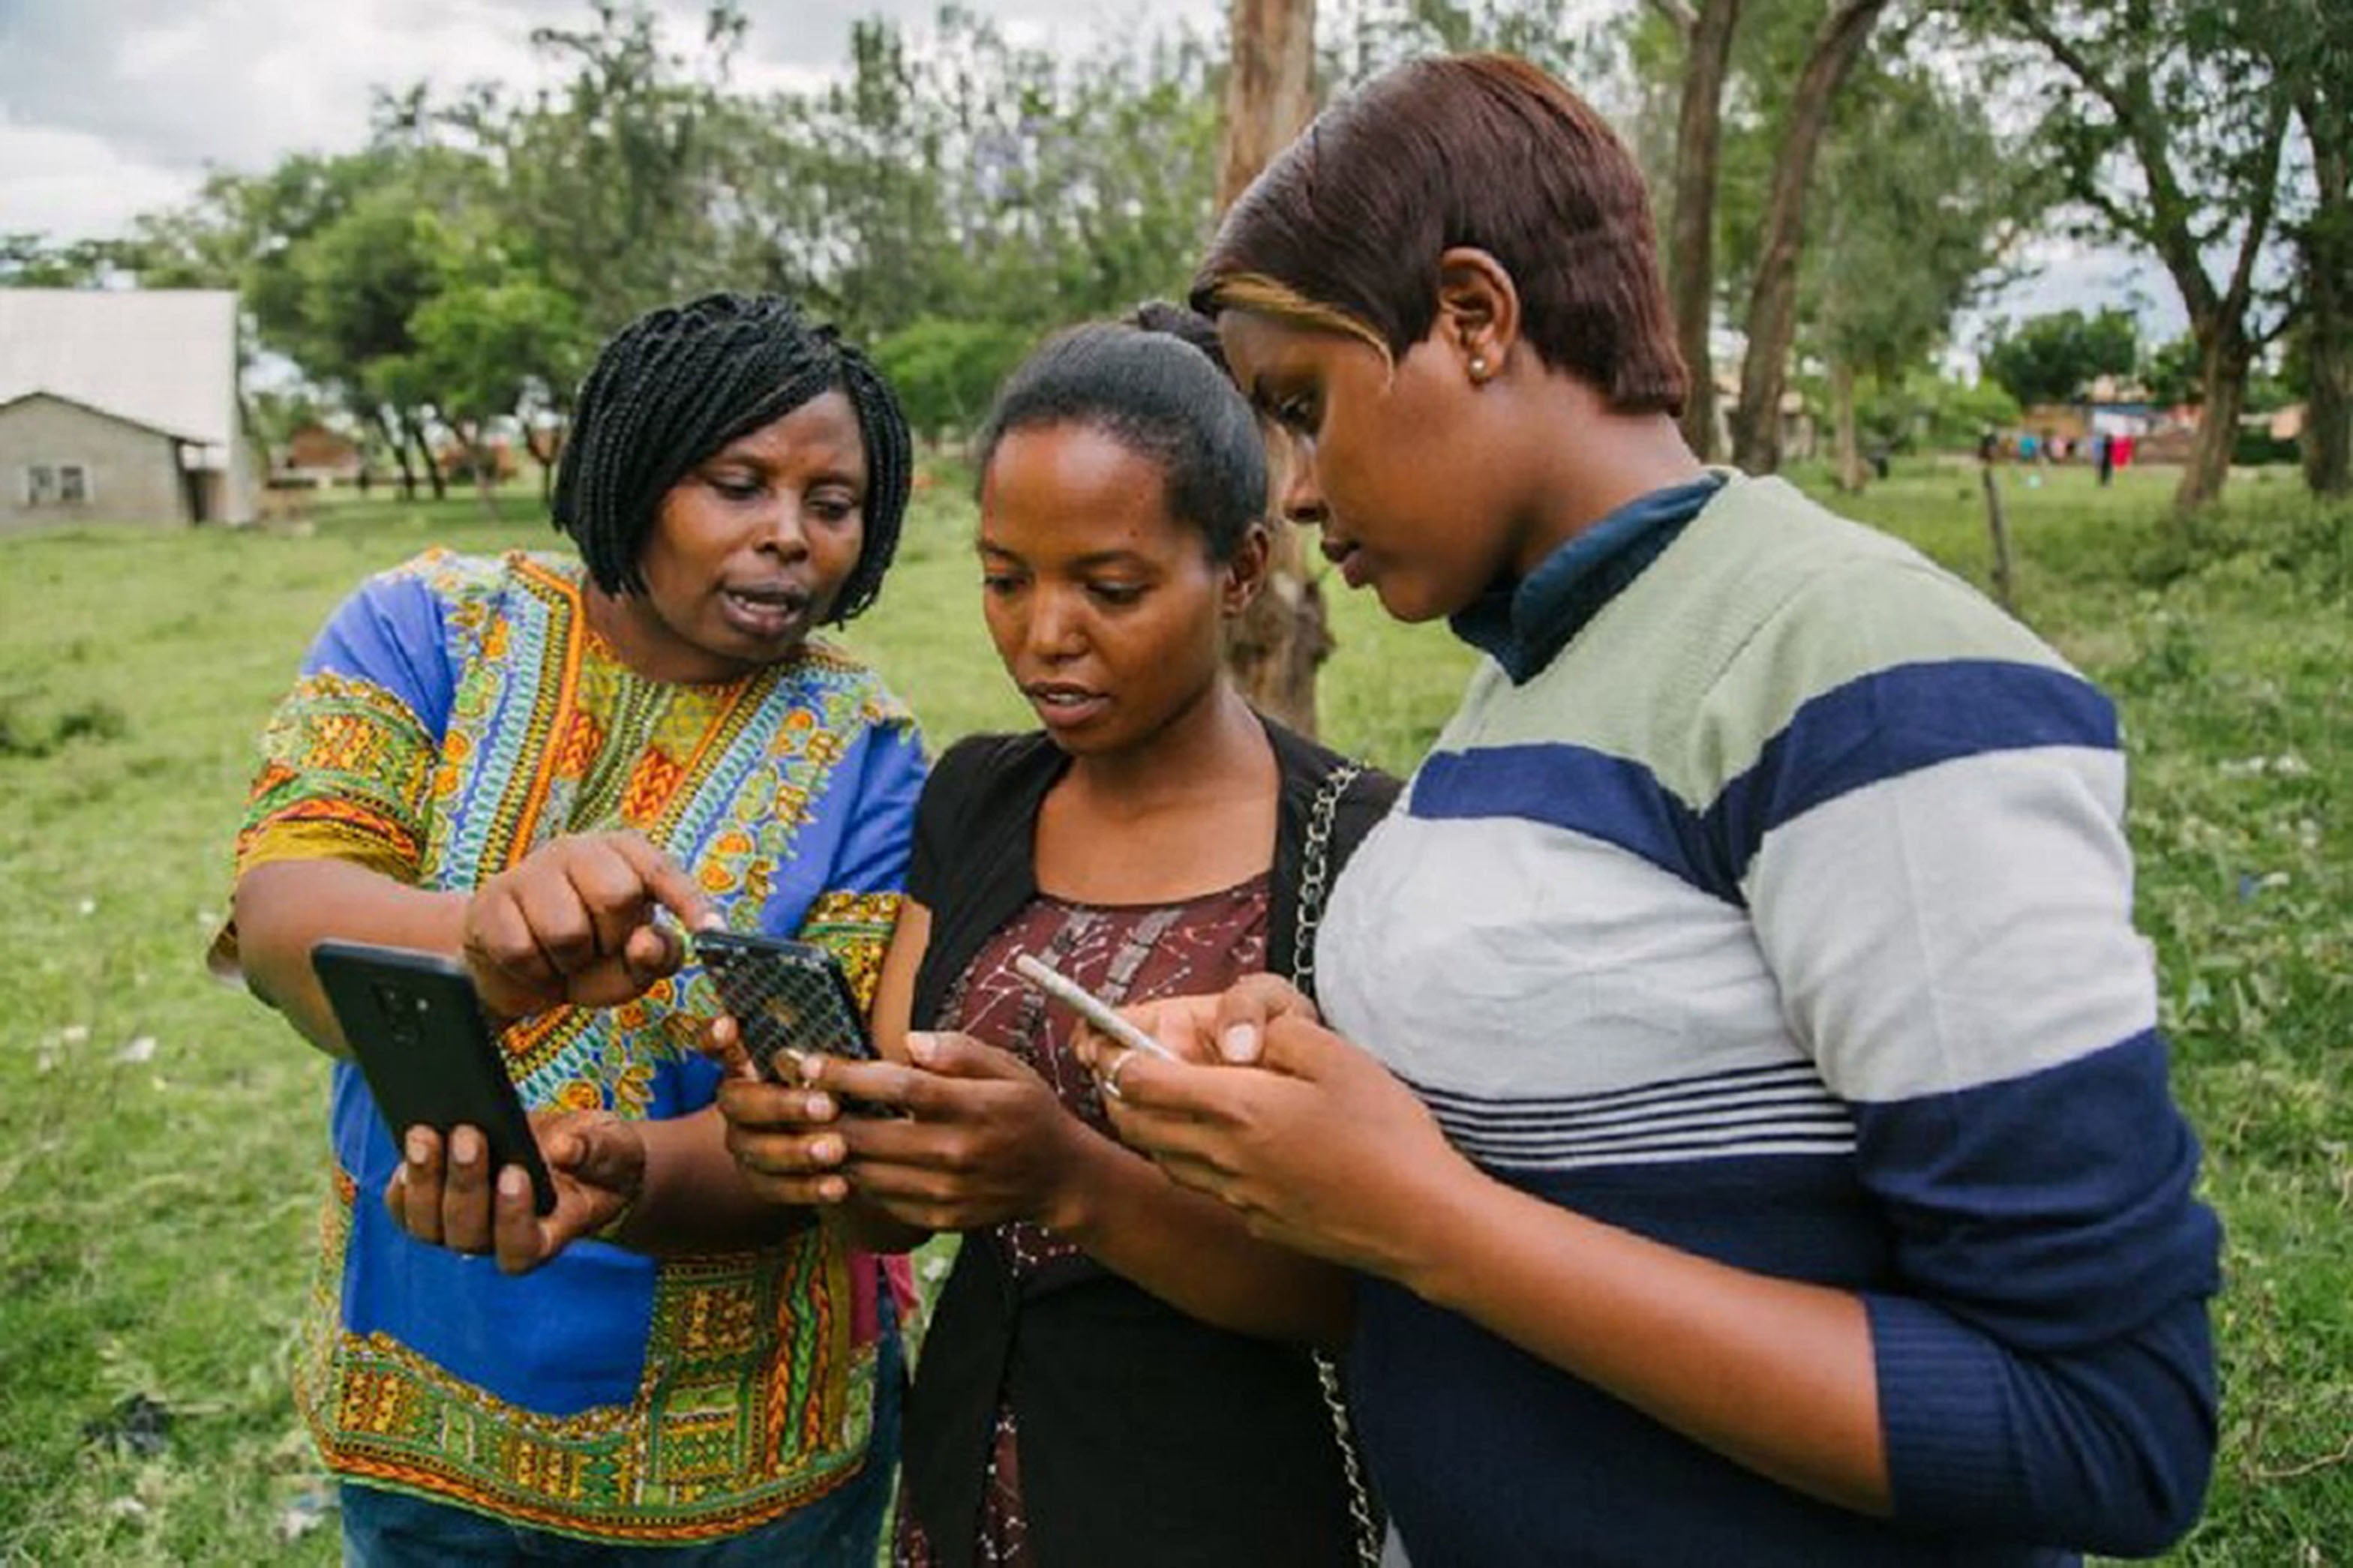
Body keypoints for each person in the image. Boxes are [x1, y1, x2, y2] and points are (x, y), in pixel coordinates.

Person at [1086, 54, 2221, 1567]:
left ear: (1477, 318)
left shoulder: (1858, 671)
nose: (1289, 491)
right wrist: (1306, 1066)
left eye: (1303, 404)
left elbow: (2104, 1422)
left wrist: (1431, 1220)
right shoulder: (1527, 678)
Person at [215, 292, 926, 1563]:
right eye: (737, 483)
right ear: (639, 471)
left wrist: (636, 1176)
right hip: (425, 1402)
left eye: (831, 504)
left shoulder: (867, 752)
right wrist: (481, 947)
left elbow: (824, 1128)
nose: (789, 539)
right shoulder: (425, 628)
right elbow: (282, 922)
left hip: (738, 1463)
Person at [712, 319, 1399, 1567]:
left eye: (1110, 587)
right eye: (1005, 577)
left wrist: (1069, 1179)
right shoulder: (976, 796)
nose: (1045, 634)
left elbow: (1370, 1286)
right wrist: (808, 1139)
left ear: (1240, 569)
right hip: (970, 1483)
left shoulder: (1357, 846)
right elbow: (888, 1213)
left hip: (1231, 1503)